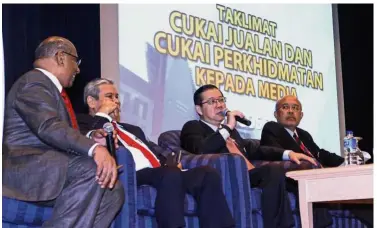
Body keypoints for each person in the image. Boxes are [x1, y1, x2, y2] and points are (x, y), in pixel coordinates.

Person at [77, 78, 235, 228]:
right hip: (130, 173)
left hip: (158, 172)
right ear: (91, 101)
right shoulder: (81, 122)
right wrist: (103, 114)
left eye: (117, 96)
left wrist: (169, 161)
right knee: (170, 174)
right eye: (109, 97)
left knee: (207, 173)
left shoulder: (132, 129)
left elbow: (154, 151)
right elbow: (91, 138)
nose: (116, 101)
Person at [3, 37, 124, 227]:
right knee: (92, 170)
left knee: (112, 189)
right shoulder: (33, 82)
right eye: (76, 61)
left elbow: (62, 132)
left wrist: (92, 138)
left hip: (52, 166)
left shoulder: (50, 88)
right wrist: (93, 149)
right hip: (26, 168)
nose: (78, 69)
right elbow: (49, 126)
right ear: (61, 57)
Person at [180, 84, 299, 228]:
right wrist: (227, 127)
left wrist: (288, 153)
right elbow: (201, 149)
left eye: (221, 100)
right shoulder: (193, 127)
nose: (219, 105)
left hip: (248, 175)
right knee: (273, 172)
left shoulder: (233, 134)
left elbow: (256, 150)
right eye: (212, 102)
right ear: (199, 109)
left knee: (286, 174)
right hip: (227, 177)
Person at [260, 95, 344, 167]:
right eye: (285, 107)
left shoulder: (304, 135)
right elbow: (268, 150)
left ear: (301, 115)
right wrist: (289, 154)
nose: (291, 111)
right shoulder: (272, 128)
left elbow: (319, 153)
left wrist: (346, 162)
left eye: (295, 108)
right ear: (276, 114)